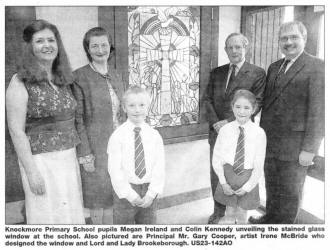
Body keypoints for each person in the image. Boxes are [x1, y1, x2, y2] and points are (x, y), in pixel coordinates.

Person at [6, 19, 85, 224]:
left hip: (68, 157)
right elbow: (16, 131)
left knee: (69, 215)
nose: (47, 45)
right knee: (47, 216)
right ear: (29, 47)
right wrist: (32, 172)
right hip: (40, 162)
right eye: (40, 41)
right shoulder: (19, 81)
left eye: (51, 40)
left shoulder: (63, 78)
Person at [249, 21, 324, 224]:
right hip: (270, 142)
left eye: (294, 37)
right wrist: (244, 114)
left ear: (304, 39)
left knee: (291, 192)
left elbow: (319, 113)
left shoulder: (318, 66)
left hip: (296, 146)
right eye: (284, 38)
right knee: (272, 186)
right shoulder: (274, 67)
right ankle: (270, 220)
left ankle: (283, 232)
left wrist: (310, 149)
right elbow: (263, 100)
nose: (288, 42)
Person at [203, 33, 266, 224]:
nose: (234, 51)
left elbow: (258, 101)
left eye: (238, 47)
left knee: (241, 173)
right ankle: (219, 212)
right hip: (217, 132)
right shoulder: (217, 72)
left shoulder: (257, 73)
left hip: (242, 134)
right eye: (230, 47)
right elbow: (206, 99)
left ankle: (240, 214)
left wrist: (228, 122)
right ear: (225, 50)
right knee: (218, 173)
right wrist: (216, 123)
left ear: (246, 48)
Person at [72, 27, 125, 224]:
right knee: (96, 197)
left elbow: (124, 110)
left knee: (113, 192)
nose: (100, 49)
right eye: (94, 45)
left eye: (104, 45)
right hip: (95, 147)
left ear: (110, 47)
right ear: (88, 49)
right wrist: (85, 154)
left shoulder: (116, 74)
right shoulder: (79, 77)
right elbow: (77, 119)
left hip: (118, 145)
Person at [107, 86, 165, 224]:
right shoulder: (117, 136)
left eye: (141, 105)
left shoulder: (154, 135)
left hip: (148, 190)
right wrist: (129, 194)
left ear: (148, 107)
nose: (137, 110)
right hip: (125, 191)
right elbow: (114, 170)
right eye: (131, 105)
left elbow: (160, 166)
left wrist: (151, 193)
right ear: (124, 108)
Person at [212, 90, 266, 224]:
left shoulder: (259, 133)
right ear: (232, 107)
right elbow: (217, 158)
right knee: (229, 212)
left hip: (248, 177)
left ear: (254, 110)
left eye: (247, 108)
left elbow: (259, 165)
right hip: (229, 175)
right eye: (238, 107)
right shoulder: (225, 130)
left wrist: (248, 187)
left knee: (242, 214)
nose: (241, 111)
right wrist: (223, 182)